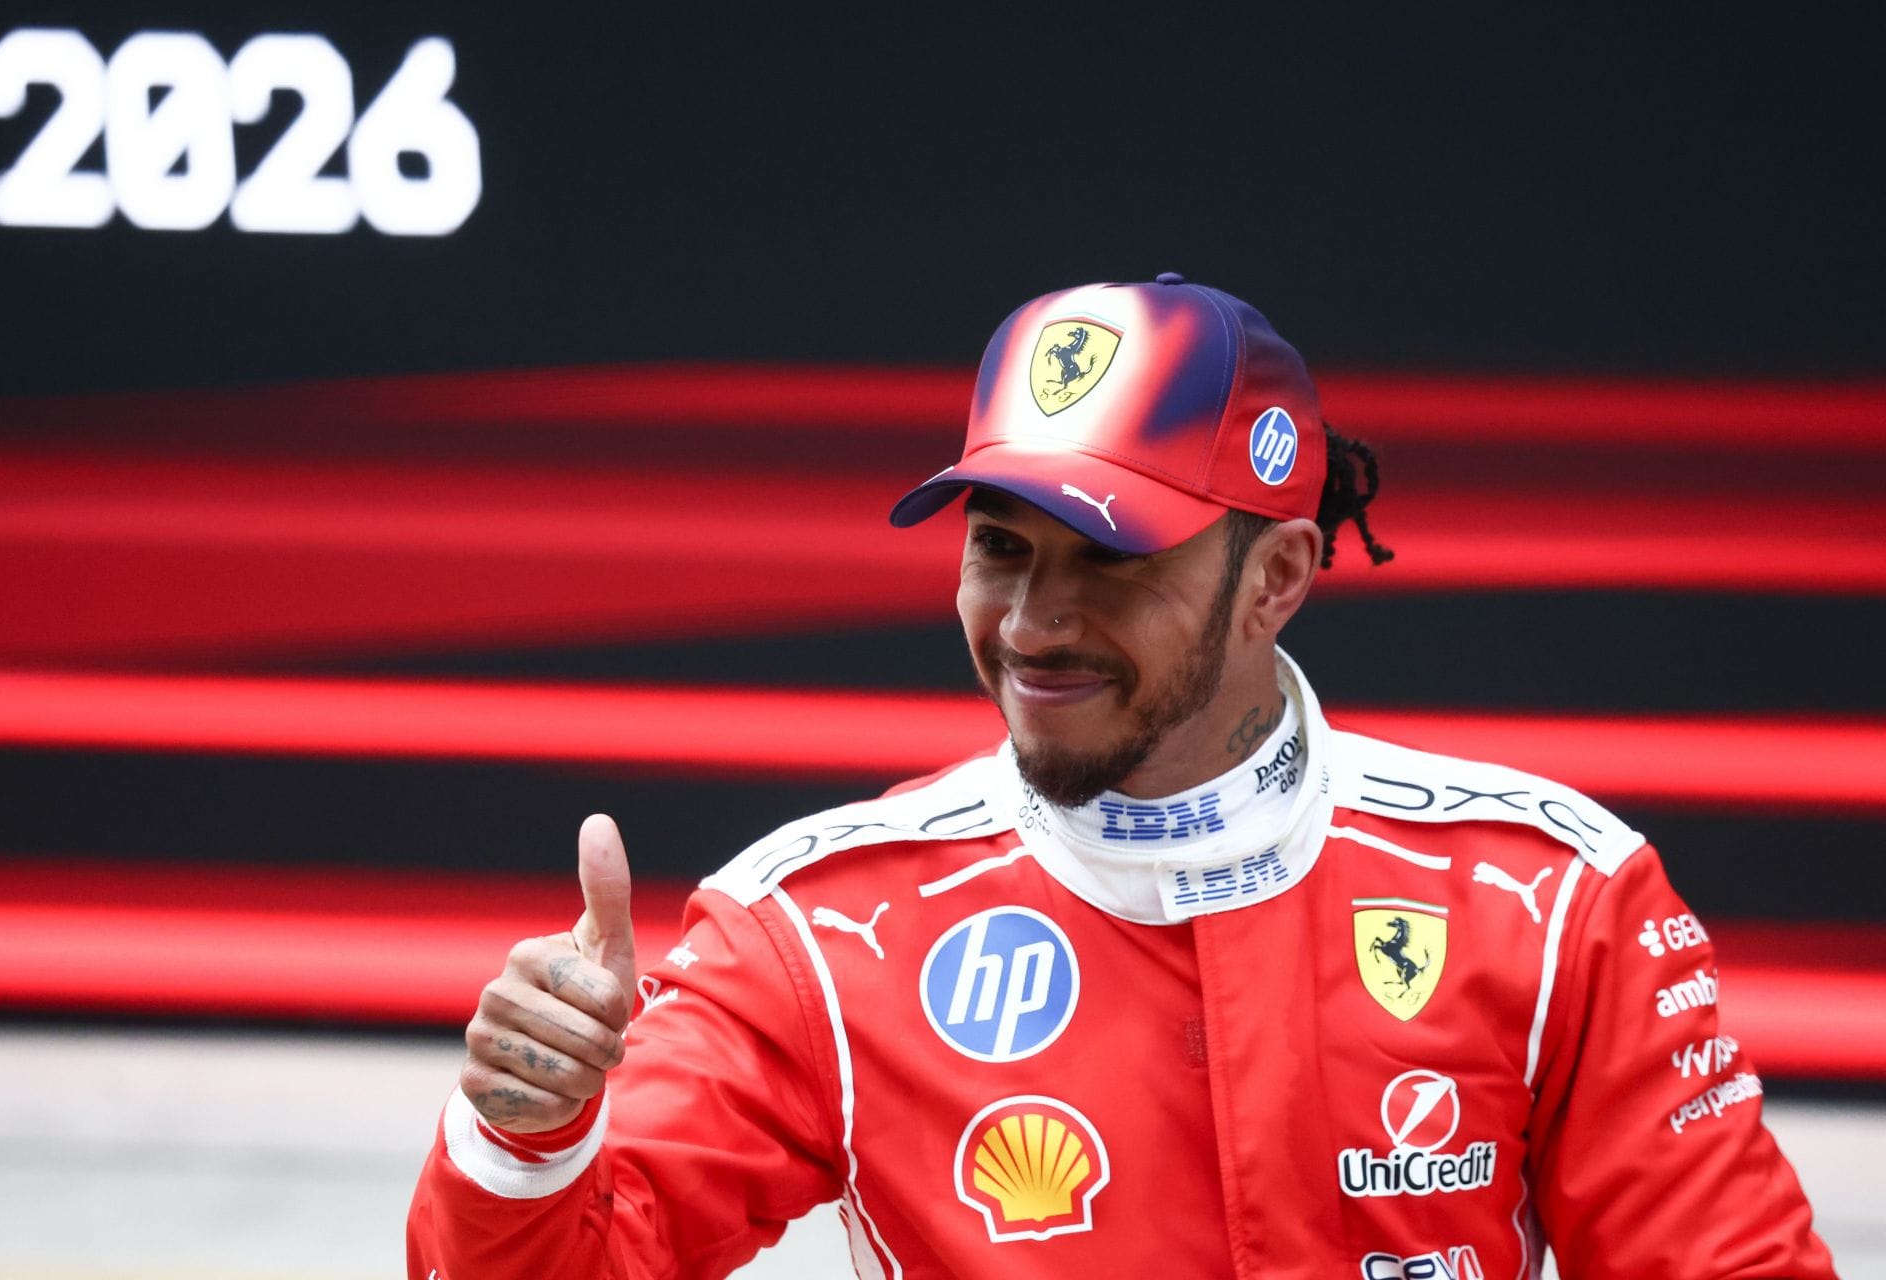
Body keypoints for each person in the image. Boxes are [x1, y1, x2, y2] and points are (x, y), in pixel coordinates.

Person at [407, 275, 1835, 1278]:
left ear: (1277, 575)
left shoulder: (1554, 899)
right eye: (1001, 548)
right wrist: (527, 1142)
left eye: (1113, 561)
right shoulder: (819, 931)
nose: (1033, 625)